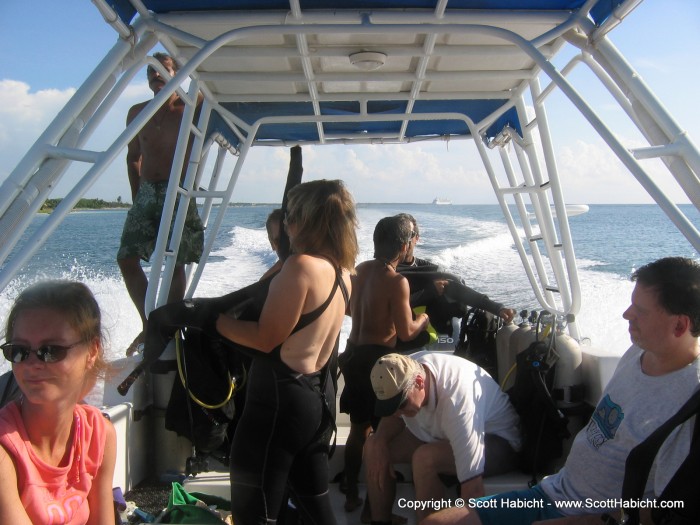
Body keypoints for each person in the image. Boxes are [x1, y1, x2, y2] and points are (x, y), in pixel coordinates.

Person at [421, 256, 700, 525]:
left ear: (680, 325)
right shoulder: (638, 351)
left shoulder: (687, 405)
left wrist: (581, 521)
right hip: (552, 492)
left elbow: (662, 511)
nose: (627, 314)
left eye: (640, 310)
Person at [215, 179, 358, 524]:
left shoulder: (301, 267)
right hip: (314, 403)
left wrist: (214, 321)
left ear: (308, 220)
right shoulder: (343, 272)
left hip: (277, 405)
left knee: (256, 512)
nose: (287, 225)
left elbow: (266, 338)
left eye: (292, 216)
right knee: (315, 509)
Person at [0, 281, 117, 525]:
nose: (32, 363)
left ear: (92, 351)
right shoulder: (5, 452)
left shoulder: (99, 435)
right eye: (19, 350)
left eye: (51, 350)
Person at [340, 216, 431, 514]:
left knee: (357, 430)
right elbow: (406, 332)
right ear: (405, 246)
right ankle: (373, 509)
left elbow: (352, 310)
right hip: (379, 364)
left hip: (352, 356)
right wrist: (423, 320)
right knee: (379, 440)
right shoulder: (397, 281)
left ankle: (351, 491)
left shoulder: (359, 271)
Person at [365, 351, 521, 524]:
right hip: (441, 434)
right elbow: (393, 415)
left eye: (401, 404)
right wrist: (379, 440)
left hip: (498, 441)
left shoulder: (457, 402)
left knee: (424, 458)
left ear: (419, 382)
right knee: (373, 446)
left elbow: (473, 490)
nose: (397, 413)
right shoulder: (401, 369)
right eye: (389, 406)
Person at [118, 52, 205, 356]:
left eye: (161, 69)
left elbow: (209, 90)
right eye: (150, 71)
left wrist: (183, 68)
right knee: (127, 259)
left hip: (178, 190)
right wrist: (135, 196)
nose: (155, 74)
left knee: (174, 260)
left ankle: (168, 326)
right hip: (146, 192)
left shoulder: (192, 106)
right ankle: (148, 324)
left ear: (176, 72)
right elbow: (132, 157)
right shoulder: (136, 112)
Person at [395, 213, 516, 326]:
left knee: (454, 282)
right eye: (400, 236)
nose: (405, 240)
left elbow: (455, 288)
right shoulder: (386, 272)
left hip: (425, 327)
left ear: (417, 238)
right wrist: (428, 293)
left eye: (409, 235)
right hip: (397, 329)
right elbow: (389, 303)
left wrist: (497, 308)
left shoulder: (430, 270)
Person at [259, 208, 284, 281]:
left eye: (289, 237)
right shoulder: (265, 282)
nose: (287, 244)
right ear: (272, 244)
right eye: (279, 241)